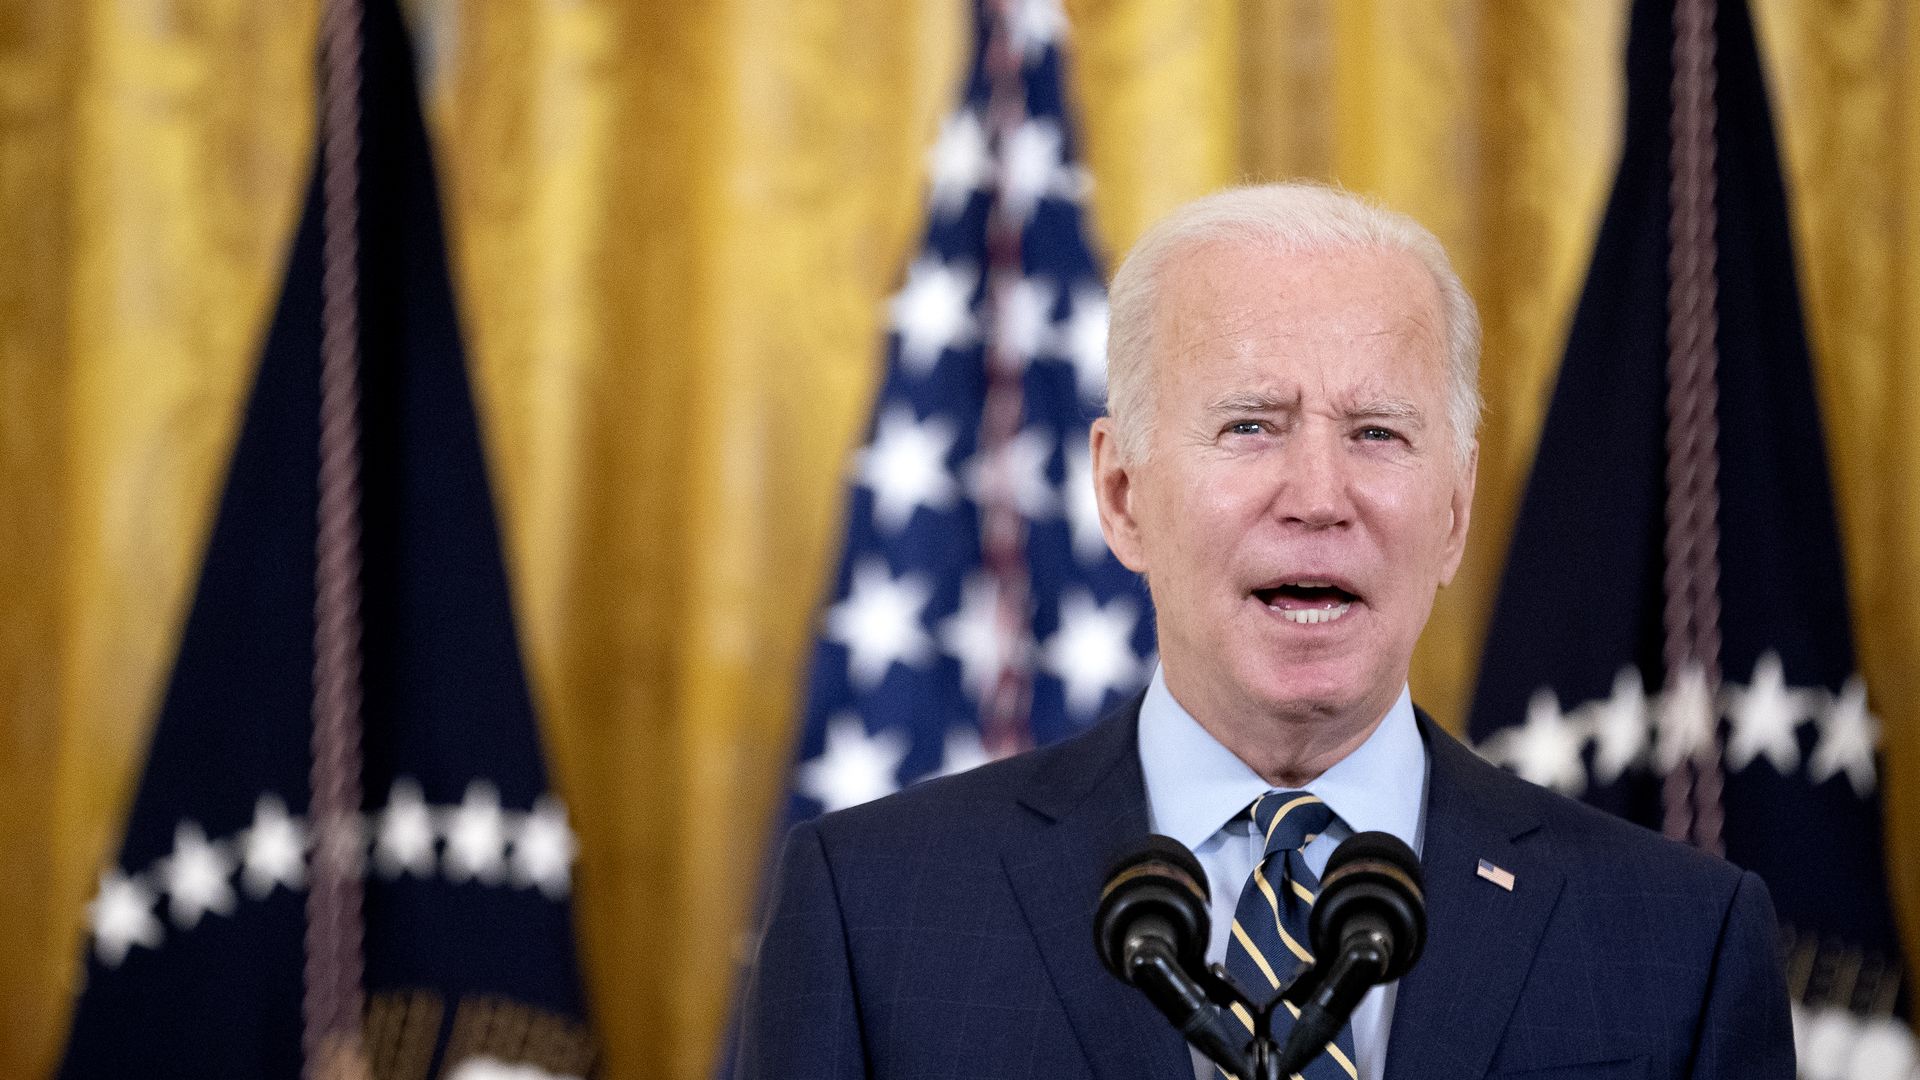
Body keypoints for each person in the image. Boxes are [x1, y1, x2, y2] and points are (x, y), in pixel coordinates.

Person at [735, 183, 1793, 1080]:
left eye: (1378, 433)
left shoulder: (1680, 943)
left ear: (1455, 513)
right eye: (1251, 426)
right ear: (1121, 493)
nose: (1319, 497)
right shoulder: (871, 914)